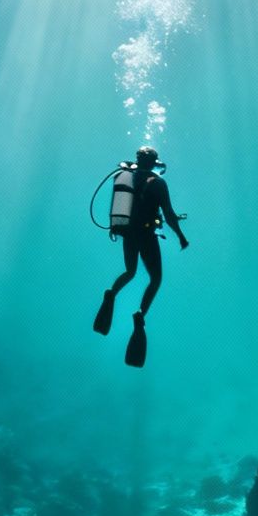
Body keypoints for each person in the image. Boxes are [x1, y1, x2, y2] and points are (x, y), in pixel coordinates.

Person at [93, 146, 187, 363]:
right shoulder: (158, 183)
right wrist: (181, 236)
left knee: (130, 271)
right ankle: (139, 316)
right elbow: (169, 216)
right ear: (154, 162)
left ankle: (111, 294)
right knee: (155, 279)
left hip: (127, 234)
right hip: (146, 236)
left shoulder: (126, 178)